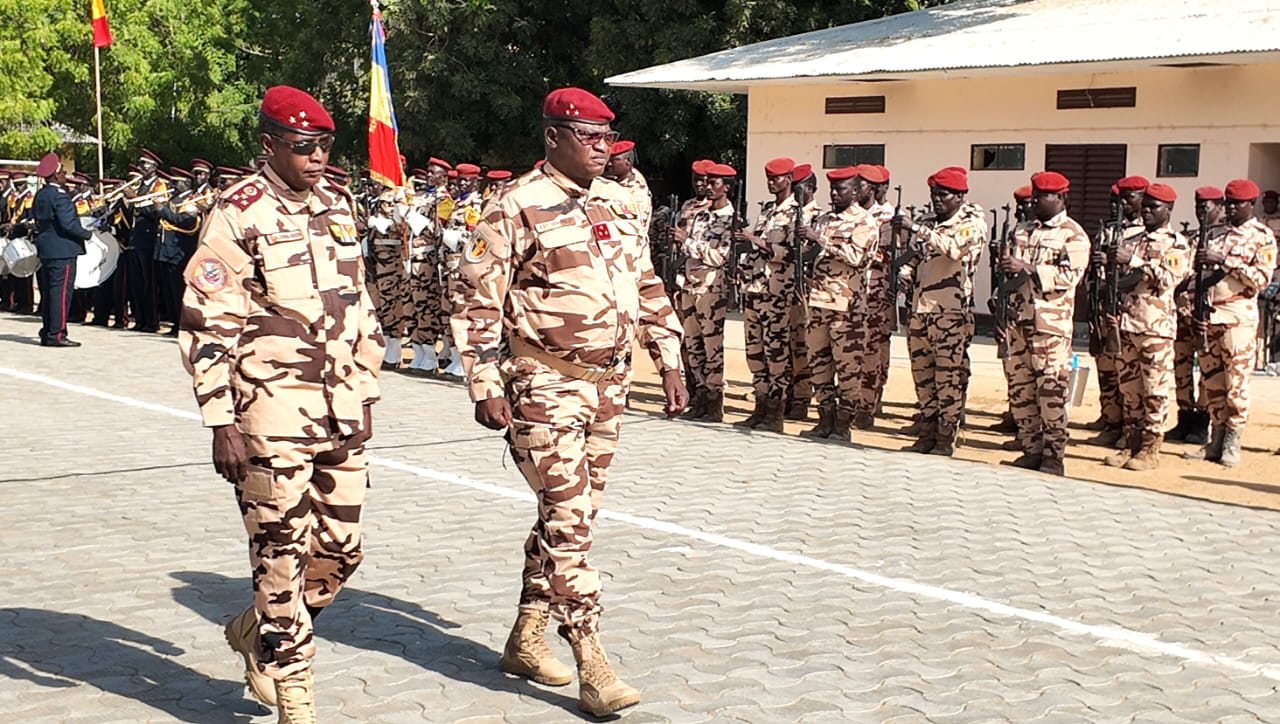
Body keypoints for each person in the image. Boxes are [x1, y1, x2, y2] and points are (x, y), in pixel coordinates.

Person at [451, 87, 685, 717]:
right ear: (553, 136)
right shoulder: (516, 204)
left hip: (608, 385)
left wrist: (669, 359)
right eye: (591, 137)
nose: (603, 148)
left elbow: (646, 282)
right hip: (543, 382)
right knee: (570, 518)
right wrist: (484, 383)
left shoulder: (616, 202)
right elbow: (475, 299)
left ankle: (526, 637)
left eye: (609, 138)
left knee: (569, 517)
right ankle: (591, 656)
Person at [179, 85, 384, 721]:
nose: (318, 157)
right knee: (280, 552)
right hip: (270, 411)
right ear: (269, 146)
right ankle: (295, 695)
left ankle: (257, 630)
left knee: (342, 550)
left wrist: (368, 386)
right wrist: (220, 421)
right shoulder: (236, 213)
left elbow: (360, 306)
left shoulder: (338, 203)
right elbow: (206, 321)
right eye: (304, 146)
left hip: (342, 406)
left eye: (325, 145)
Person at [999, 171, 1090, 476]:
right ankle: (1030, 448)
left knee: (1051, 392)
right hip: (1019, 322)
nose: (1036, 200)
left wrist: (1027, 267)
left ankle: (1053, 456)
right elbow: (1009, 276)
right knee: (1021, 390)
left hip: (1050, 327)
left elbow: (1069, 277)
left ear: (1061, 198)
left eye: (1043, 196)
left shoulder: (1073, 235)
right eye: (1035, 195)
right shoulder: (1022, 231)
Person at [893, 166, 987, 456]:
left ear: (960, 196)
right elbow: (914, 257)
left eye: (943, 195)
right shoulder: (927, 222)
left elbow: (956, 249)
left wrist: (916, 229)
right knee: (923, 376)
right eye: (934, 194)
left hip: (951, 312)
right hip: (920, 310)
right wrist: (902, 273)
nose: (937, 200)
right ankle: (927, 430)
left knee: (948, 377)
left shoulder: (972, 221)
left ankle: (946, 437)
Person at [1184, 179, 1278, 466]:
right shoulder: (1215, 233)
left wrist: (1224, 261)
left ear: (1251, 205)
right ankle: (1215, 438)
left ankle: (1232, 442)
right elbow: (1195, 277)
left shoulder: (1262, 237)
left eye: (1238, 203)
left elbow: (1261, 280)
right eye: (1229, 202)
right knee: (1213, 384)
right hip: (1209, 317)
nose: (1232, 208)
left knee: (1235, 385)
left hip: (1238, 319)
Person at [1101, 184, 1191, 470]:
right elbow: (1119, 280)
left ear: (1169, 210)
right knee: (1130, 389)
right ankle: (1131, 442)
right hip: (1127, 323)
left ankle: (1151, 449)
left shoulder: (1177, 244)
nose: (1147, 211)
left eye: (1155, 207)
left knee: (1154, 390)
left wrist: (1134, 261)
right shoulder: (1133, 238)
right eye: (1146, 206)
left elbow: (1168, 279)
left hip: (1156, 328)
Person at [799, 166, 879, 440]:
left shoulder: (865, 222)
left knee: (847, 370)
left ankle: (843, 426)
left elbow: (857, 257)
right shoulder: (824, 219)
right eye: (832, 188)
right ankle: (824, 419)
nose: (834, 193)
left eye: (841, 189)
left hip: (847, 309)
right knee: (819, 365)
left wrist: (819, 241)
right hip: (819, 302)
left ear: (856, 192)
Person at [733, 157, 805, 432]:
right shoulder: (767, 212)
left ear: (789, 179)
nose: (772, 183)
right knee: (755, 353)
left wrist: (757, 242)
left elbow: (792, 254)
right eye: (769, 179)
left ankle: (776, 413)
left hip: (777, 293)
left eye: (777, 178)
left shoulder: (797, 213)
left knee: (777, 355)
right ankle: (760, 407)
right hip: (755, 290)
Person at [1089, 175, 1150, 448]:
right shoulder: (1110, 229)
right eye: (1116, 200)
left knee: (1131, 374)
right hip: (1106, 303)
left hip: (1134, 310)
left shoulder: (1146, 231)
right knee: (1106, 367)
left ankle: (1132, 427)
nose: (1120, 205)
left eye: (1127, 198)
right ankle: (1111, 419)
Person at [676, 162, 737, 422]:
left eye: (714, 183)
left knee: (712, 347)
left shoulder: (730, 219)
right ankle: (700, 397)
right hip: (690, 284)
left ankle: (714, 402)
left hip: (710, 287)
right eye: (707, 182)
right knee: (692, 343)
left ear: (727, 187)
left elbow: (719, 257)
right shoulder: (700, 215)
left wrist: (686, 243)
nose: (708, 188)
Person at [1166, 186, 1225, 445]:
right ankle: (1184, 415)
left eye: (1208, 206)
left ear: (1220, 207)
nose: (1202, 211)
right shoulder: (1185, 238)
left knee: (1207, 368)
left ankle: (1202, 420)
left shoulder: (1225, 238)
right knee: (1181, 366)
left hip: (1207, 313)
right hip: (1183, 311)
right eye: (1199, 206)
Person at [31, 153, 91, 347]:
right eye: (63, 172)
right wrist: (88, 234)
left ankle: (48, 331)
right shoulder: (60, 196)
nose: (66, 175)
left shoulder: (41, 194)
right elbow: (68, 225)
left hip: (47, 248)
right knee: (61, 293)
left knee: (49, 293)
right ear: (56, 175)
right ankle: (57, 334)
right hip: (62, 249)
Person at [121, 150, 168, 332]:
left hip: (148, 237)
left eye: (145, 165)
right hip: (136, 237)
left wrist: (135, 199)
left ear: (154, 167)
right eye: (141, 165)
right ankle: (140, 320)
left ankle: (151, 321)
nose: (142, 168)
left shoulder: (159, 185)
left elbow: (156, 211)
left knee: (149, 283)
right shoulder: (140, 185)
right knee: (137, 283)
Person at [604, 140, 652, 232]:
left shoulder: (636, 191)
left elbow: (634, 226)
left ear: (628, 161)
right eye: (608, 160)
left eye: (614, 160)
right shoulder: (621, 180)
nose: (609, 164)